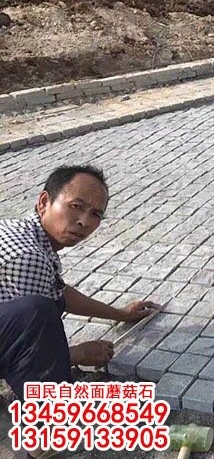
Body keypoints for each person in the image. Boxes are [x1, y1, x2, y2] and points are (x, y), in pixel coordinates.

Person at [0, 165, 158, 402]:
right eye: (76, 206)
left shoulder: (23, 232)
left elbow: (58, 292)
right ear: (44, 202)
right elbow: (31, 349)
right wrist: (79, 353)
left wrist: (121, 314)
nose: (84, 221)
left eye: (95, 214)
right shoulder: (28, 257)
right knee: (38, 313)